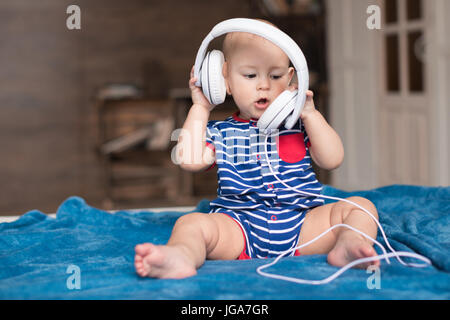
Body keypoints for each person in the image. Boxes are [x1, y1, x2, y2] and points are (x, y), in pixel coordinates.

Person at [135, 20, 379, 279]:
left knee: (361, 208)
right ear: (224, 80)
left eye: (275, 76)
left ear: (290, 79)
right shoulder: (220, 131)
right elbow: (189, 160)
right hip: (239, 228)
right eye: (250, 75)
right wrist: (200, 108)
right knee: (191, 223)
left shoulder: (299, 124)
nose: (263, 85)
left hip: (302, 228)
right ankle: (181, 255)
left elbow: (333, 159)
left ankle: (349, 244)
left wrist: (311, 114)